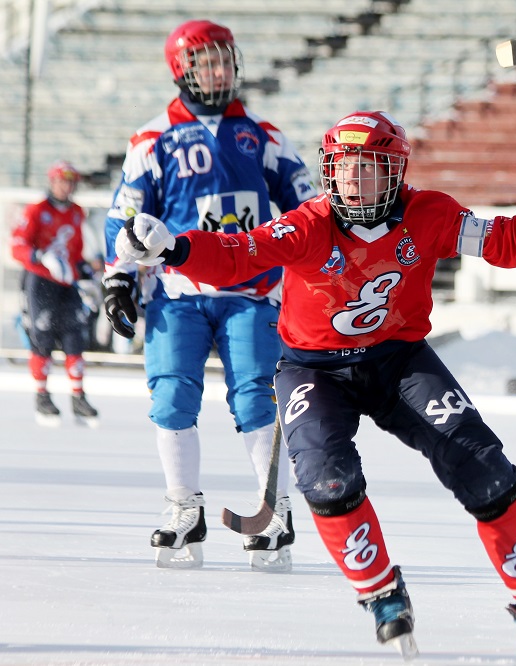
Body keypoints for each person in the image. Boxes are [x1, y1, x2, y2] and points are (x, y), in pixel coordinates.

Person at [110, 110, 516, 662]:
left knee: (484, 467)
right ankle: (380, 594)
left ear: (395, 172)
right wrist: (175, 248)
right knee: (326, 480)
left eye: (367, 169)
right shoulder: (308, 225)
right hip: (314, 371)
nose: (352, 180)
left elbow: (506, 245)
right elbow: (238, 256)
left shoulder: (430, 213)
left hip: (399, 360)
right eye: (343, 168)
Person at [101, 19, 318, 572]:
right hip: (178, 291)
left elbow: (305, 205)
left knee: (256, 398)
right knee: (171, 396)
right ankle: (183, 509)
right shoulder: (152, 140)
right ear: (182, 70)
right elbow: (124, 217)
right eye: (208, 63)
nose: (220, 72)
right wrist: (119, 276)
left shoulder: (265, 136)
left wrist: (315, 262)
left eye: (226, 61)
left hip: (252, 288)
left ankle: (275, 512)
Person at [10, 160, 100, 427]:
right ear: (52, 182)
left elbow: (76, 252)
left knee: (75, 335)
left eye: (71, 182)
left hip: (65, 281)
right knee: (43, 336)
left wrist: (88, 272)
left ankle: (78, 396)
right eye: (62, 181)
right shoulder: (37, 211)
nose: (67, 187)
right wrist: (39, 256)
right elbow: (17, 245)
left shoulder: (76, 212)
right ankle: (42, 395)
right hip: (40, 281)